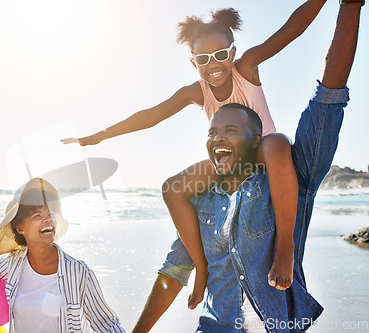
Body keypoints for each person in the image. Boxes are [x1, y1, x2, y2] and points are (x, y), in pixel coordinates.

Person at [62, 0, 328, 307]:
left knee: (279, 142)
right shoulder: (196, 91)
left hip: (265, 153)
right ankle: (201, 270)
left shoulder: (247, 67)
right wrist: (101, 135)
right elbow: (152, 115)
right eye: (203, 58)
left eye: (220, 55)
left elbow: (291, 30)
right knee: (173, 189)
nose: (213, 64)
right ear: (193, 62)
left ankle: (285, 246)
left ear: (232, 52)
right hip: (231, 163)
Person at [131, 1, 363, 332]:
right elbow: (174, 270)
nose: (217, 138)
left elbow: (329, 95)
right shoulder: (203, 202)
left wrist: (350, 7)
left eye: (230, 130)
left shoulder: (290, 183)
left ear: (255, 141)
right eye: (212, 132)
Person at [0, 177, 125, 333]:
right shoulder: (10, 265)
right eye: (37, 216)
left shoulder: (78, 272)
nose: (48, 219)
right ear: (20, 227)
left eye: (50, 213)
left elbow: (106, 322)